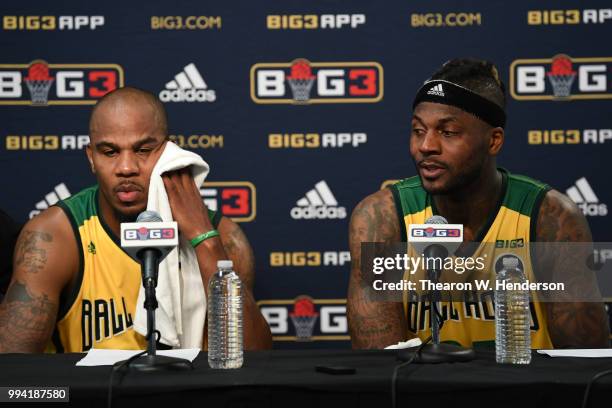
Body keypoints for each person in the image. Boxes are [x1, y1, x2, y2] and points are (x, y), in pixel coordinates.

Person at [347, 59, 610, 349]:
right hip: (423, 394)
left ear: (494, 141)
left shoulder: (551, 217)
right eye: (418, 130)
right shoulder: (383, 218)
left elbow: (585, 364)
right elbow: (380, 368)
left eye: (448, 132)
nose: (426, 146)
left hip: (527, 393)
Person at [0, 87, 272, 352]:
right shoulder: (56, 236)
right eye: (110, 152)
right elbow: (13, 374)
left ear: (169, 153)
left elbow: (253, 364)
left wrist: (204, 238)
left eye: (143, 150)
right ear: (91, 158)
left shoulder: (223, 237)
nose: (127, 168)